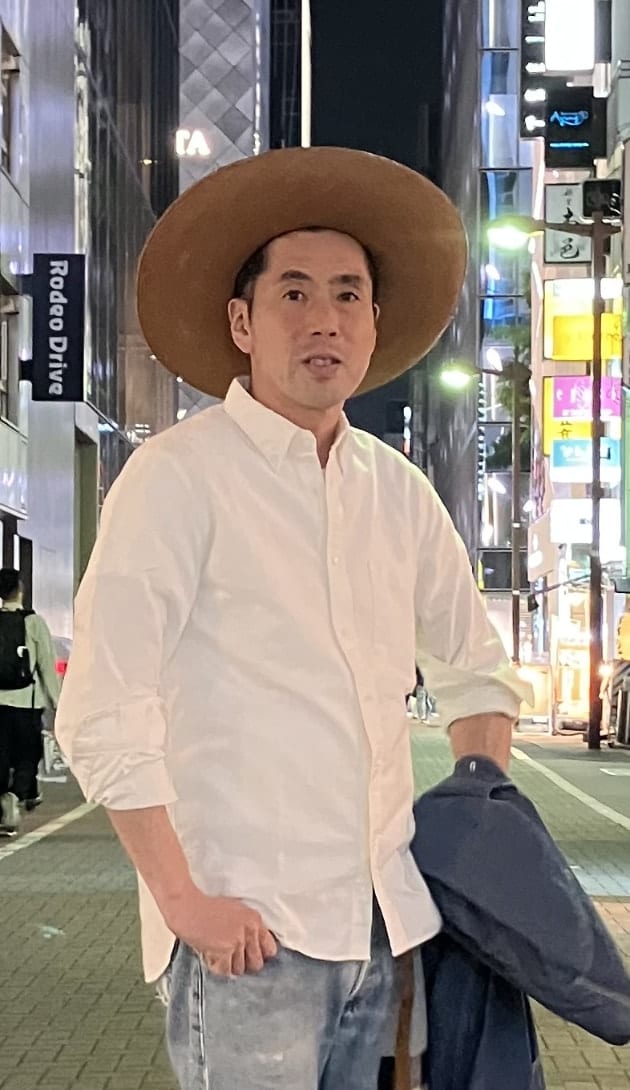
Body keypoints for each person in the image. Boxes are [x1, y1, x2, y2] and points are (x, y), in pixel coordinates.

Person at [56, 147, 532, 1090]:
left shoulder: (398, 490)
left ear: (375, 322)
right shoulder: (178, 477)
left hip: (388, 930)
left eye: (350, 295)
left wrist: (480, 819)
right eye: (295, 293)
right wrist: (184, 902)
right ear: (242, 321)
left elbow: (476, 672)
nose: (326, 319)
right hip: (248, 936)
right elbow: (106, 704)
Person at [0, 568, 61, 832]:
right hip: (27, 703)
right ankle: (15, 796)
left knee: (1, 756)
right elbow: (47, 664)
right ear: (20, 590)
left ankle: (3, 807)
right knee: (27, 755)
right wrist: (58, 703)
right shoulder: (34, 622)